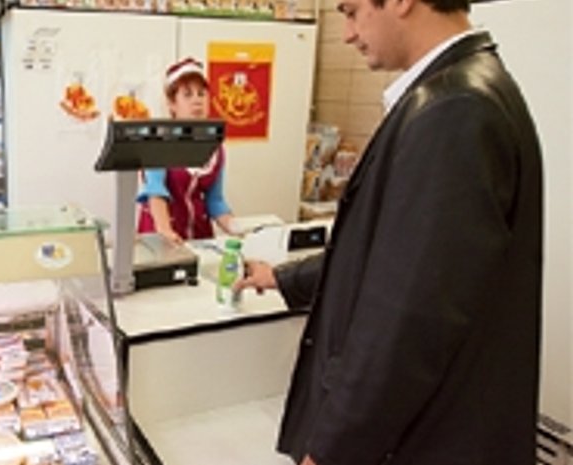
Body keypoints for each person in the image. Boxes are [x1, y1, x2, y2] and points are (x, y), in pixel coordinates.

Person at [235, 0, 543, 464]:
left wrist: (331, 451)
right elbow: (390, 257)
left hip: (431, 442)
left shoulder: (454, 109)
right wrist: (283, 277)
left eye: (352, 11)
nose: (347, 34)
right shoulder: (458, 92)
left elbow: (408, 321)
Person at [136, 57, 235, 243]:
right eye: (187, 95)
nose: (197, 101)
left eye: (201, 94)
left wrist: (238, 228)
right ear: (172, 104)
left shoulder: (215, 149)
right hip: (161, 236)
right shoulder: (158, 142)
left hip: (199, 237)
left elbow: (215, 201)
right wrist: (165, 230)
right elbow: (155, 191)